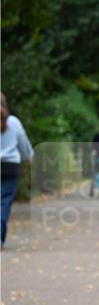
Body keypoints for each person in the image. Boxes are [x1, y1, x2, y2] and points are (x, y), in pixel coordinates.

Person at [1, 93, 33, 248]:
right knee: (4, 201)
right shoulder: (14, 122)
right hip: (10, 166)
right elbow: (23, 141)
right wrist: (28, 156)